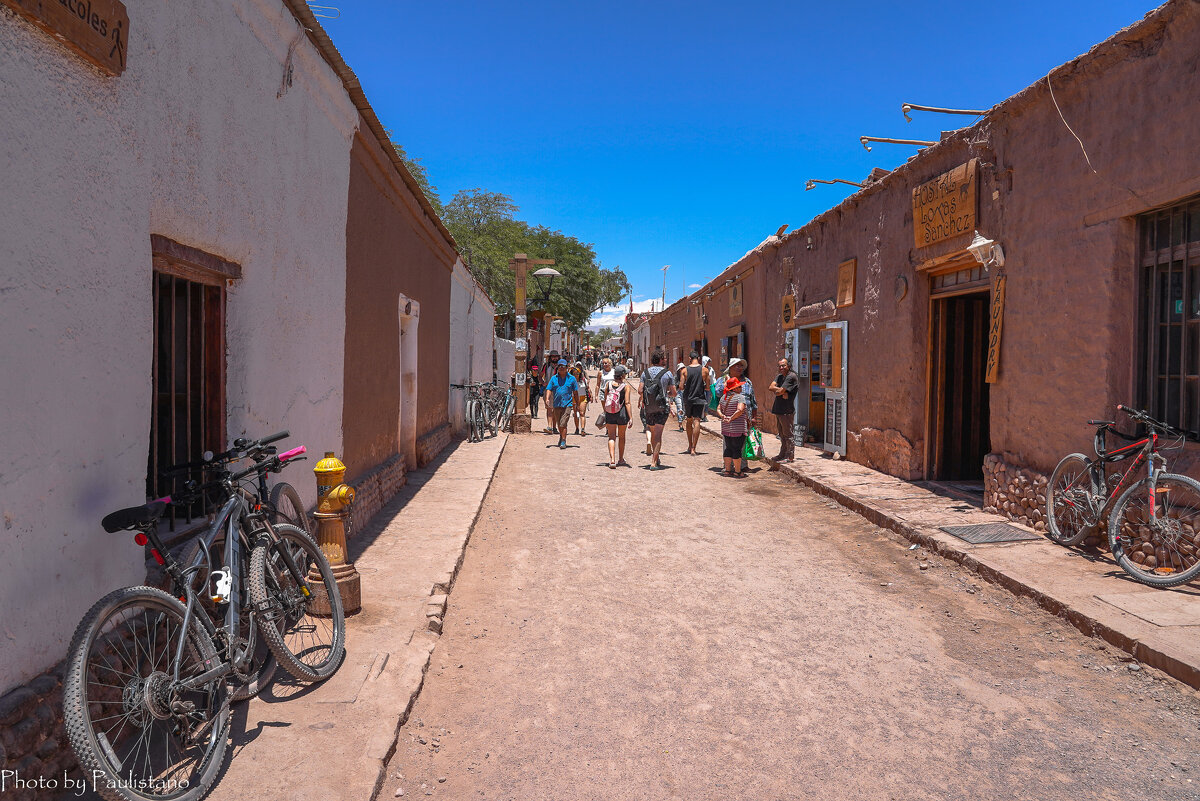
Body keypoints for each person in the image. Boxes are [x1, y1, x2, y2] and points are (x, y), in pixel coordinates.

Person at [639, 350, 677, 470]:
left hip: (649, 407)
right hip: (662, 407)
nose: (665, 360)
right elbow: (674, 393)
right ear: (661, 359)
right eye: (664, 358)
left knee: (653, 432)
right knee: (658, 434)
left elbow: (640, 390)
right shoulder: (668, 374)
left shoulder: (645, 373)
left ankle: (656, 456)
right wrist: (666, 392)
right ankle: (654, 462)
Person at [679, 351, 713, 455]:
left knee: (689, 421)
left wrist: (687, 387)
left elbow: (681, 386)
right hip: (699, 398)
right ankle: (694, 447)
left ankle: (689, 445)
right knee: (697, 421)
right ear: (698, 358)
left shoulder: (684, 370)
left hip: (688, 399)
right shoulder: (705, 370)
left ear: (689, 358)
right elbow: (707, 387)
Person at [767, 357, 800, 462]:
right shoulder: (780, 377)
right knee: (781, 434)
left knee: (788, 434)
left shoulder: (791, 377)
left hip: (787, 410)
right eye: (780, 366)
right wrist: (780, 391)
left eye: (783, 365)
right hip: (779, 409)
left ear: (789, 366)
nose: (781, 368)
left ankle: (789, 456)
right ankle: (782, 454)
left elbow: (778, 392)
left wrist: (781, 391)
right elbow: (771, 387)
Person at [718, 375, 750, 477]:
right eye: (739, 387)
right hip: (738, 429)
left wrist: (723, 416)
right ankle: (737, 471)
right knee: (737, 449)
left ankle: (727, 470)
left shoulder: (724, 397)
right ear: (735, 388)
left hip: (726, 428)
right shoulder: (740, 397)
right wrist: (731, 418)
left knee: (728, 448)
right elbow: (740, 410)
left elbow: (718, 409)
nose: (741, 388)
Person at [602, 364, 633, 467]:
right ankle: (620, 459)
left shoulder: (608, 384)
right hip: (622, 414)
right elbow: (627, 403)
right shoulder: (626, 387)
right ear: (623, 375)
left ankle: (612, 460)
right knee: (622, 437)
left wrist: (605, 411)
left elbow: (606, 398)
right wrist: (631, 417)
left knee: (611, 436)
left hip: (610, 413)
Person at [544, 360, 580, 449]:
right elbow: (549, 389)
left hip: (567, 404)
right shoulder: (553, 378)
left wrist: (577, 404)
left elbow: (575, 392)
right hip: (556, 404)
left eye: (563, 366)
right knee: (559, 423)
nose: (561, 368)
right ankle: (561, 436)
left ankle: (563, 440)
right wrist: (547, 398)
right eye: (559, 366)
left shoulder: (572, 379)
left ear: (567, 367)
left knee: (563, 423)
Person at [571, 361, 591, 436]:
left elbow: (588, 388)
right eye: (574, 374)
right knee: (576, 414)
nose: (576, 375)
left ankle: (583, 429)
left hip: (583, 398)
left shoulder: (583, 380)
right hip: (574, 398)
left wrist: (591, 395)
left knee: (582, 413)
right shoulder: (570, 381)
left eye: (577, 374)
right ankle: (577, 428)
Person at [672, 363, 687, 431]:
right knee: (679, 408)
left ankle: (681, 420)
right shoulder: (675, 378)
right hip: (678, 394)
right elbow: (673, 388)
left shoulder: (686, 376)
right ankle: (681, 425)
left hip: (685, 394)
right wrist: (672, 399)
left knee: (684, 409)